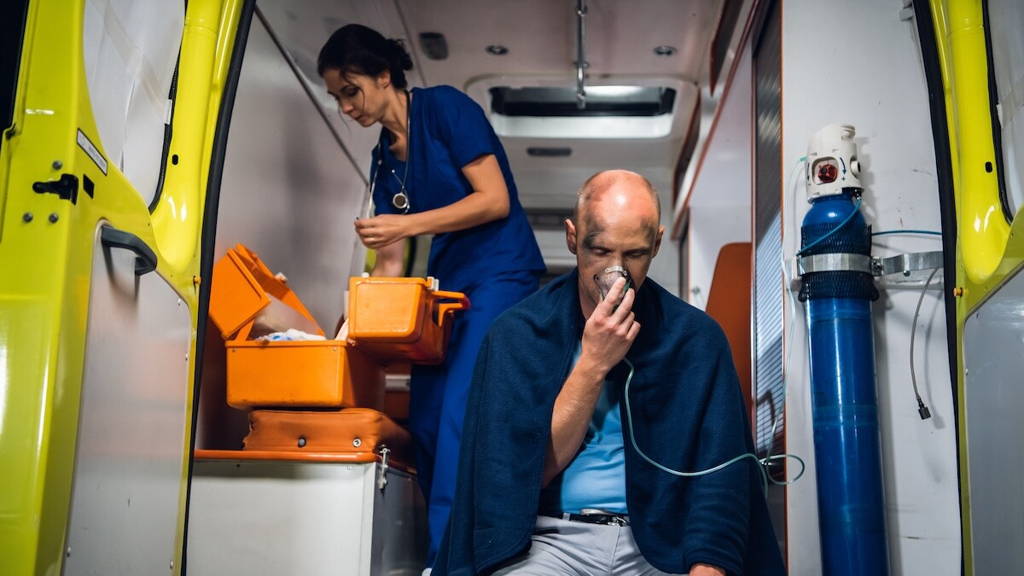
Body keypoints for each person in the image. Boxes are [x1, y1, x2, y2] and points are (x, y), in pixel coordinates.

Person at [434, 170, 785, 575]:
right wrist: (593, 363)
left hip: (661, 543)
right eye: (600, 251)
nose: (616, 272)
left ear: (656, 244)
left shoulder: (695, 339)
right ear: (572, 238)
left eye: (634, 254)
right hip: (548, 541)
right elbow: (521, 475)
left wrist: (709, 565)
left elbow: (720, 473)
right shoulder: (517, 334)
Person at [317, 25, 546, 566]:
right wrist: (351, 330)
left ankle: (450, 561)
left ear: (383, 75)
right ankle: (446, 549)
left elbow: (494, 200)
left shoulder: (445, 108)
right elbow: (391, 260)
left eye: (351, 91)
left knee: (458, 416)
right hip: (448, 290)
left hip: (499, 274)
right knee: (423, 420)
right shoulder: (383, 159)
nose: (346, 107)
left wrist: (406, 224)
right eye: (337, 97)